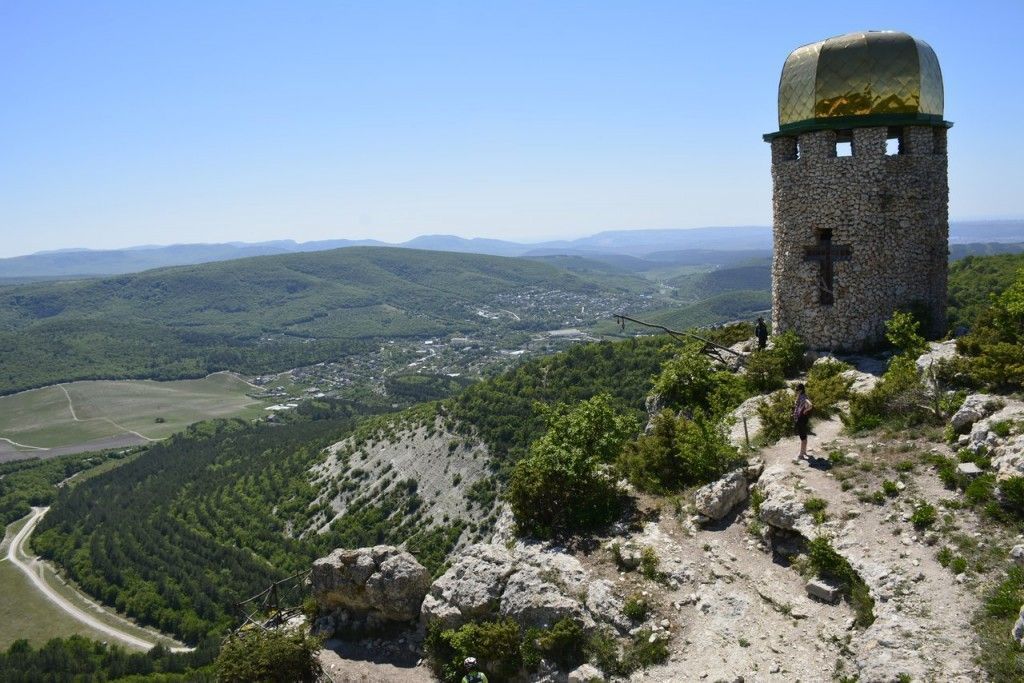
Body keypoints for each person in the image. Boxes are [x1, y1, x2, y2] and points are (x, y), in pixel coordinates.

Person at [793, 383, 813, 463]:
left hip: (801, 418)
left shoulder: (803, 397)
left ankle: (801, 454)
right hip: (800, 418)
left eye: (797, 390)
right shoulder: (801, 396)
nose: (796, 391)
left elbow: (810, 405)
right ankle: (804, 451)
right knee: (803, 435)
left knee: (802, 437)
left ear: (801, 390)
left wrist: (805, 411)